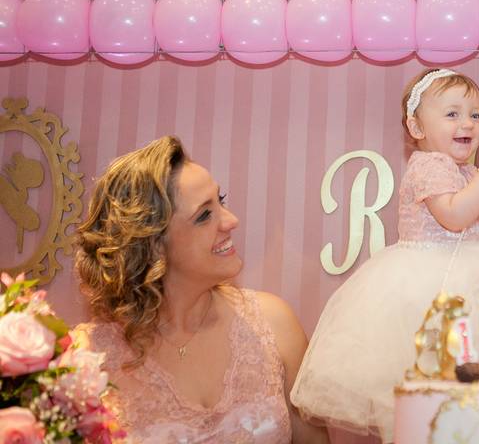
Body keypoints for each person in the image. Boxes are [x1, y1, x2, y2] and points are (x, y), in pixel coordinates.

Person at [290, 68, 479, 442]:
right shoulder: (429, 165)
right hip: (427, 288)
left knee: (465, 390)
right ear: (416, 127)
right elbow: (456, 217)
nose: (468, 123)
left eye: (475, 114)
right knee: (428, 388)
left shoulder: (462, 172)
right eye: (452, 113)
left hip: (465, 282)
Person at [73, 136, 329, 443]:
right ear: (153, 244)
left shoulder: (274, 324)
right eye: (204, 215)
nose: (231, 221)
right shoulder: (89, 358)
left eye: (220, 202)